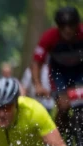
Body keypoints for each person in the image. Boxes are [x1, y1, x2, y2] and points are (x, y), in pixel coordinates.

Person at [31, 6, 83, 138]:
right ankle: (57, 140)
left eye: (71, 26)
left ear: (77, 25)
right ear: (58, 26)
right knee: (64, 106)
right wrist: (37, 84)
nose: (68, 30)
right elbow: (36, 62)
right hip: (59, 73)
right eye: (63, 26)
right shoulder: (49, 37)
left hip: (80, 71)